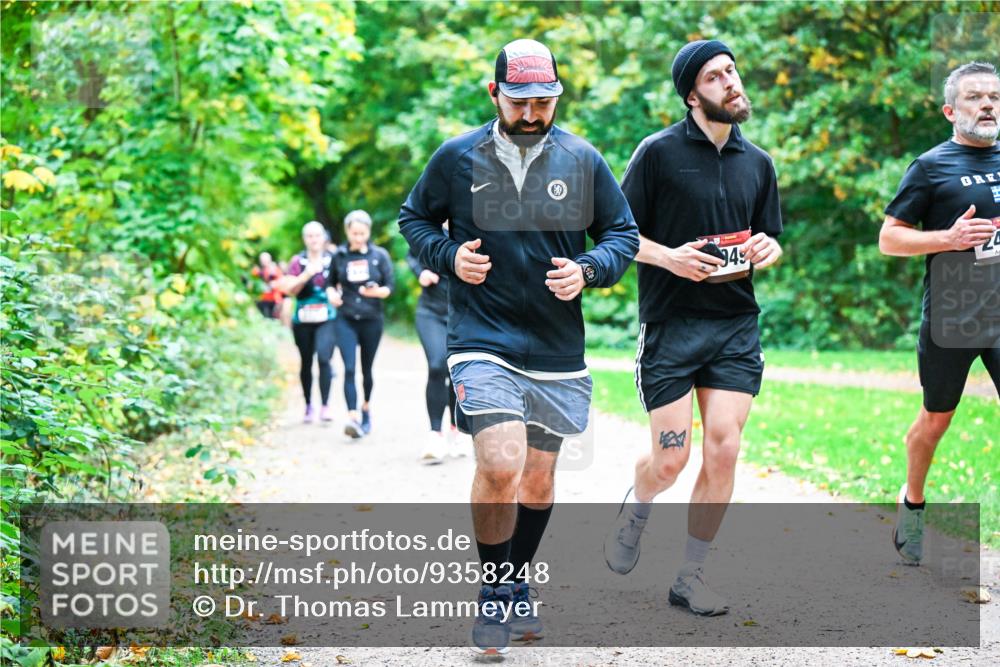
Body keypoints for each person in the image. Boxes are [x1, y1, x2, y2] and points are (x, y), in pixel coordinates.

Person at [399, 39, 639, 654]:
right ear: (494, 94)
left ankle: (517, 580)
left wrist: (589, 269)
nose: (532, 114)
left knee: (537, 478)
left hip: (558, 348)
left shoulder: (583, 159)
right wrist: (449, 255)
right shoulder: (458, 157)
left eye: (544, 102)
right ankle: (493, 589)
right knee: (501, 463)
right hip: (482, 338)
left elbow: (622, 233)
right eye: (519, 102)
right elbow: (414, 220)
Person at [603, 40, 784, 617]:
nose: (731, 82)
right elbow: (617, 237)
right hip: (671, 327)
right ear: (691, 95)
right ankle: (637, 508)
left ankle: (690, 574)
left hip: (734, 325)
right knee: (670, 460)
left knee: (725, 447)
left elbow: (770, 239)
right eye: (714, 76)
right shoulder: (656, 153)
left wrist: (768, 249)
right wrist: (672, 258)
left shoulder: (759, 163)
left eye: (732, 70)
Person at [878, 61, 1000, 565]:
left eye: (994, 96)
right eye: (975, 97)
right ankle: (913, 502)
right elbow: (890, 238)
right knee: (935, 420)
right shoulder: (931, 166)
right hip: (954, 316)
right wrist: (947, 239)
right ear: (952, 110)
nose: (988, 105)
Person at [329, 210, 394, 439]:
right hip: (345, 317)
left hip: (371, 319)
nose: (358, 238)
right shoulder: (339, 255)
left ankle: (366, 408)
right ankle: (352, 415)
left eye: (362, 233)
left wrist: (376, 292)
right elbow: (330, 283)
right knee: (348, 367)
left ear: (368, 232)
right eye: (354, 233)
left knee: (366, 369)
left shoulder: (380, 255)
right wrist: (331, 295)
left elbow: (389, 287)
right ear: (347, 232)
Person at [406, 223, 464, 465]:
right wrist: (420, 272)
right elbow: (411, 255)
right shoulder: (429, 230)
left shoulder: (469, 230)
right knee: (437, 365)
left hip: (461, 313)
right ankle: (435, 434)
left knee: (456, 370)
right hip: (430, 311)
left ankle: (457, 429)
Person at [281, 221, 341, 424]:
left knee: (324, 359)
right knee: (306, 362)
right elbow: (289, 289)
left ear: (324, 237)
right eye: (310, 236)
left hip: (327, 317)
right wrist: (307, 274)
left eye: (317, 235)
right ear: (305, 239)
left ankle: (325, 406)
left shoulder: (334, 259)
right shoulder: (297, 261)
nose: (314, 240)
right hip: (303, 319)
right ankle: (308, 406)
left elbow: (341, 283)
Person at [251, 251, 284, 319]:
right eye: (262, 260)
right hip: (262, 299)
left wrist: (275, 283)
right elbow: (253, 282)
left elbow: (281, 281)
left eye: (265, 259)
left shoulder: (275, 269)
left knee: (274, 318)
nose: (264, 261)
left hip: (274, 299)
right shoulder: (258, 270)